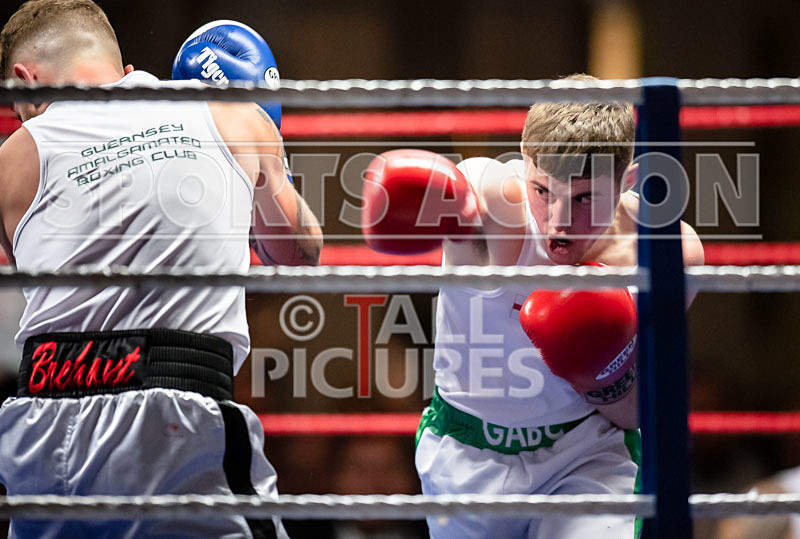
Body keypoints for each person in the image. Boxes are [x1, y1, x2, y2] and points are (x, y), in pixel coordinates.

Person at [0, 1, 321, 537]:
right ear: (125, 72)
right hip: (176, 412)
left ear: (24, 81)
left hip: (42, 420)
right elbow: (298, 251)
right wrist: (269, 138)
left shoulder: (12, 160)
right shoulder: (231, 114)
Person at [362, 74, 704, 538]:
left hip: (585, 455)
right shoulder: (495, 205)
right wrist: (435, 204)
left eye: (585, 198)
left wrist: (600, 372)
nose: (560, 222)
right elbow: (467, 200)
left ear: (628, 180)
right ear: (524, 160)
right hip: (465, 456)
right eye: (544, 191)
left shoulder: (664, 250)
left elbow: (639, 414)